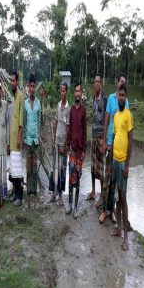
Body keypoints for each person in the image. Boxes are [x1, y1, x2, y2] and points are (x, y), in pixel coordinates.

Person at [99, 74, 129, 223]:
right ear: (117, 82)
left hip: (120, 150)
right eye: (121, 81)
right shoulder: (111, 99)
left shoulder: (126, 102)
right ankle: (105, 210)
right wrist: (104, 141)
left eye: (124, 82)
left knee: (116, 183)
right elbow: (106, 121)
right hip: (110, 145)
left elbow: (127, 127)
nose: (122, 84)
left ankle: (113, 211)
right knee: (107, 179)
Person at [109, 83, 133, 250]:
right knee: (117, 197)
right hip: (115, 161)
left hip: (123, 162)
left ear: (126, 97)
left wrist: (127, 166)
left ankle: (126, 238)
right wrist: (111, 163)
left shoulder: (128, 115)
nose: (121, 98)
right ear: (116, 96)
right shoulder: (115, 116)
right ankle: (117, 228)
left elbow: (130, 140)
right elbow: (114, 137)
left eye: (123, 95)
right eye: (119, 95)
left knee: (123, 198)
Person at [65, 82, 87, 219]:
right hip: (72, 151)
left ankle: (76, 207)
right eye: (76, 91)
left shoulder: (83, 110)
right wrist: (68, 146)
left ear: (81, 93)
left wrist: (84, 150)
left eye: (79, 91)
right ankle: (69, 205)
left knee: (77, 179)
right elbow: (70, 129)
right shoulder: (72, 110)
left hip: (80, 151)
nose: (77, 93)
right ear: (74, 93)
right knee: (70, 178)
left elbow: (85, 131)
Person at [49, 82, 70, 206]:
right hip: (57, 142)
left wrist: (64, 145)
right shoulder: (58, 105)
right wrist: (53, 140)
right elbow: (56, 123)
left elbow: (68, 128)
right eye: (61, 91)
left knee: (62, 170)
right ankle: (53, 194)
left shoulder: (69, 108)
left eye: (64, 91)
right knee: (54, 168)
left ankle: (61, 196)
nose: (62, 93)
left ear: (67, 92)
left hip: (63, 144)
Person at [89, 76, 107, 207]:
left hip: (101, 137)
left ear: (101, 84)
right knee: (93, 166)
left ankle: (101, 196)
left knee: (100, 167)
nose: (96, 84)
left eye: (98, 82)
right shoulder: (93, 99)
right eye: (95, 82)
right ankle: (93, 192)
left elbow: (106, 120)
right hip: (93, 136)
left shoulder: (104, 99)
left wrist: (105, 140)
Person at [23, 74, 41, 208]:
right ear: (28, 87)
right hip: (28, 141)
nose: (32, 88)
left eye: (34, 86)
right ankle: (28, 196)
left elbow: (39, 122)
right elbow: (23, 122)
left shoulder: (39, 103)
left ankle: (35, 196)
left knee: (35, 169)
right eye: (31, 86)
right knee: (28, 169)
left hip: (35, 141)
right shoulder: (25, 104)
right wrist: (24, 138)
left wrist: (39, 136)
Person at [9, 71, 24, 206]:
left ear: (17, 82)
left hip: (17, 141)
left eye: (14, 81)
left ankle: (20, 196)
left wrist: (19, 138)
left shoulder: (20, 96)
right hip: (12, 141)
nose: (12, 83)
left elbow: (20, 121)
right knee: (13, 169)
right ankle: (15, 193)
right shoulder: (13, 97)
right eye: (11, 81)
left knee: (18, 170)